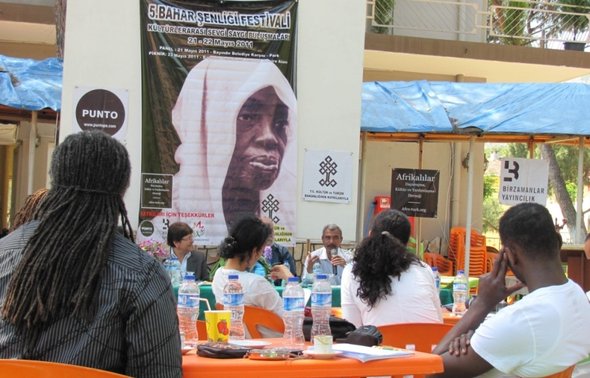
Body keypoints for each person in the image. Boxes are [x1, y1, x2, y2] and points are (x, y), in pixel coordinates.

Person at [0, 131, 181, 377]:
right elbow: (161, 373)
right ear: (122, 191)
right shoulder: (142, 275)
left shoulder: (4, 254)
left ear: (54, 182)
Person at [149, 56, 297, 246]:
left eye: (280, 122)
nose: (269, 137)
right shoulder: (165, 227)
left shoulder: (284, 217)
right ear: (205, 127)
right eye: (248, 117)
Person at [429, 203, 590, 378]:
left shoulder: (521, 320)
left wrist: (481, 305)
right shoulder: (578, 296)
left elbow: (430, 371)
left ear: (510, 255)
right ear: (558, 243)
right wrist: (478, 335)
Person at [341, 209, 442, 328]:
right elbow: (438, 320)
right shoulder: (424, 269)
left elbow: (352, 328)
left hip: (380, 345)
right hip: (430, 344)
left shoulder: (352, 271)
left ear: (370, 234)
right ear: (407, 243)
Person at [211, 214, 290, 316]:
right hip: (264, 332)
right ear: (254, 252)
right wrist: (290, 278)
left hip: (231, 331)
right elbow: (291, 317)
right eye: (262, 250)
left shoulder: (218, 276)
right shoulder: (256, 283)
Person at [261, 216, 297, 286]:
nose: (269, 234)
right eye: (265, 230)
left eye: (271, 230)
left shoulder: (282, 251)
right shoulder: (251, 252)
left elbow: (292, 277)